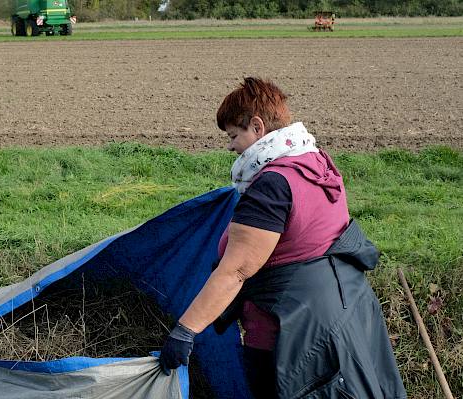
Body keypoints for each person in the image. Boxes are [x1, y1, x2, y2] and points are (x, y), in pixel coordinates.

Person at [158, 78, 406, 398]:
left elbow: (237, 270)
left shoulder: (273, 185)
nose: (231, 146)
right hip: (341, 320)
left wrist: (185, 330)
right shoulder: (316, 163)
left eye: (234, 135)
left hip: (289, 340)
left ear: (257, 127)